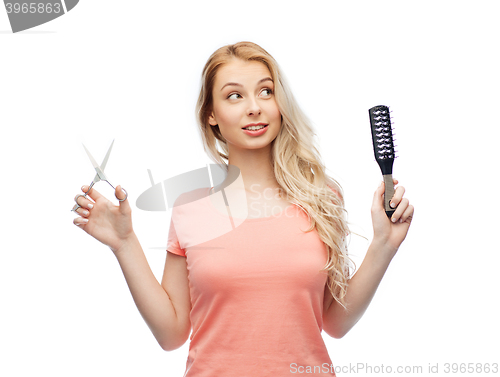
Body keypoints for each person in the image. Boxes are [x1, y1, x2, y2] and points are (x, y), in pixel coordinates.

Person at [72, 41, 414, 376]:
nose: (254, 107)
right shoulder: (190, 209)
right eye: (234, 96)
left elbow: (335, 322)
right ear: (212, 115)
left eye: (266, 92)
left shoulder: (322, 198)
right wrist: (124, 243)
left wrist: (383, 245)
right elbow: (171, 333)